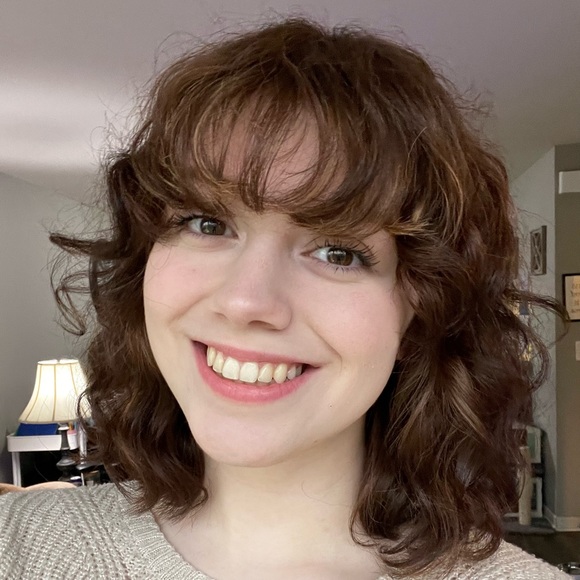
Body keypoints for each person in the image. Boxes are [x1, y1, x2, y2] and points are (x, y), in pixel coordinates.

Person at [0, 17, 568, 580]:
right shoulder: (19, 546)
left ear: (421, 310)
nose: (246, 302)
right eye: (206, 223)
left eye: (338, 252)